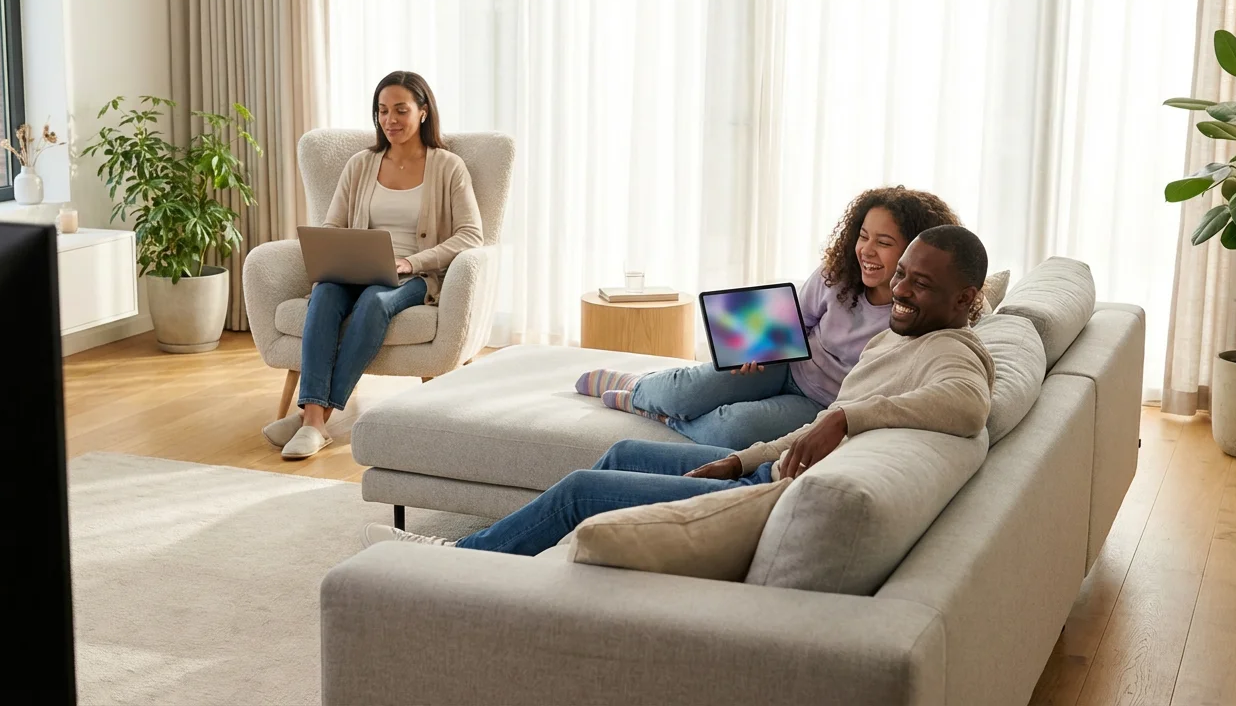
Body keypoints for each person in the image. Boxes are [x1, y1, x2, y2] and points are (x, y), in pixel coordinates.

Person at [364, 225, 996, 555]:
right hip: (764, 463)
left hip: (766, 497)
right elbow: (803, 350)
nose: (902, 290)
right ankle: (633, 399)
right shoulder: (900, 337)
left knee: (582, 490)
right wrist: (743, 457)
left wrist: (848, 418)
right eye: (902, 274)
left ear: (967, 299)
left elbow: (969, 405)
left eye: (919, 281)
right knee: (619, 456)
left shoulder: (953, 352)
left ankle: (460, 558)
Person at [575, 187, 961, 450]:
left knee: (732, 429)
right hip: (788, 365)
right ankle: (640, 388)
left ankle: (658, 414)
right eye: (863, 236)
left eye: (884, 242)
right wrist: (761, 346)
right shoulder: (837, 276)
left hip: (822, 403)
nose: (867, 250)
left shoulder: (913, 313)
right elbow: (799, 320)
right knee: (685, 390)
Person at [264, 71, 483, 459]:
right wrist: (332, 258)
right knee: (326, 294)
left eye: (401, 109)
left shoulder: (449, 167)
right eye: (382, 111)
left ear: (423, 112)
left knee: (374, 303)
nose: (390, 119)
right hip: (355, 268)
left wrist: (410, 261)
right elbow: (332, 225)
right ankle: (313, 419)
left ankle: (314, 418)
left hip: (415, 275)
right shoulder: (361, 164)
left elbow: (470, 236)